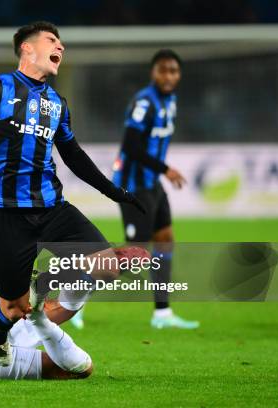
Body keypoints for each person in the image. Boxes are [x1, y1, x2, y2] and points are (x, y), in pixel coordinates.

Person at [0, 21, 146, 367]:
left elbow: (73, 155)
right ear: (27, 48)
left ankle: (45, 282)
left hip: (52, 208)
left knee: (106, 265)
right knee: (14, 308)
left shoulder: (56, 103)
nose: (60, 48)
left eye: (62, 44)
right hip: (6, 213)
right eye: (52, 41)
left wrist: (115, 192)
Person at [107, 49, 198, 329]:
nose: (169, 75)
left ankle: (162, 313)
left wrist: (160, 173)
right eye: (163, 70)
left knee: (165, 238)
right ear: (153, 73)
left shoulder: (170, 101)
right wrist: (166, 169)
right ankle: (75, 292)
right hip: (134, 185)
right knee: (137, 252)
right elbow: (131, 147)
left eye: (174, 70)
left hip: (152, 183)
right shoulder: (144, 102)